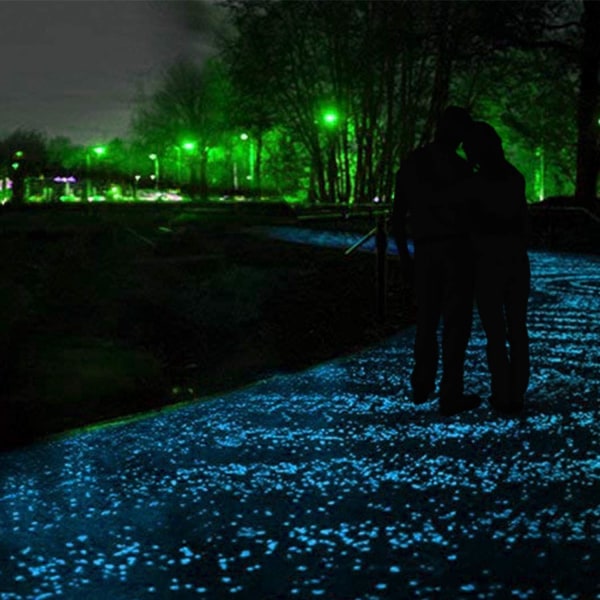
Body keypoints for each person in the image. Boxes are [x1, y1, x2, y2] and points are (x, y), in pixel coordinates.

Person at [390, 106, 481, 417]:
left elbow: (397, 215)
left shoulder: (414, 162)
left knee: (426, 320)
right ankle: (449, 392)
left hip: (426, 250)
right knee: (456, 324)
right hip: (457, 250)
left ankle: (422, 383)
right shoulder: (461, 168)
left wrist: (404, 256)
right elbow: (474, 216)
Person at [460, 121, 530, 414]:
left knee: (496, 332)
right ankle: (516, 390)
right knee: (516, 327)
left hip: (488, 263)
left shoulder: (475, 184)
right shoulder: (514, 178)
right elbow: (522, 221)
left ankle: (502, 391)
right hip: (515, 259)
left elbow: (470, 224)